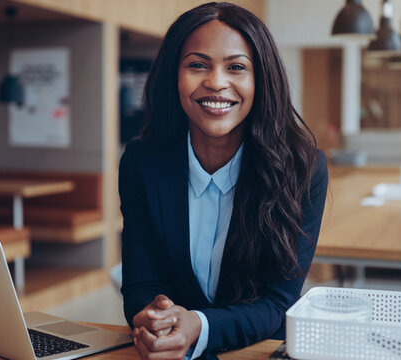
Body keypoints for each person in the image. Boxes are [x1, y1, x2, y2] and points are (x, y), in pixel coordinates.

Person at [118, 2, 328, 359]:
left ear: (261, 79)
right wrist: (152, 318)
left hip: (257, 351)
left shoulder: (301, 168)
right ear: (174, 75)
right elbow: (140, 283)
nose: (216, 82)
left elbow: (278, 302)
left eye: (236, 67)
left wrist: (198, 326)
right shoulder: (142, 162)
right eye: (197, 65)